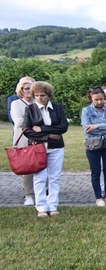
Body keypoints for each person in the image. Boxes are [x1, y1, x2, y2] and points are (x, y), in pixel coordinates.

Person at [22, 81, 68, 217]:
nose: (39, 98)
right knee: (39, 177)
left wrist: (42, 129)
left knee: (54, 177)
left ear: (48, 95)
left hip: (56, 147)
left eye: (42, 95)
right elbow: (27, 130)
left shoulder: (58, 108)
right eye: (36, 95)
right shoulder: (30, 109)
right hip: (38, 147)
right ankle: (41, 206)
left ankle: (53, 205)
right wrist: (49, 135)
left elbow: (63, 127)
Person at [82, 86, 106, 207]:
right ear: (91, 99)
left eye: (101, 99)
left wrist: (97, 126)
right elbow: (87, 129)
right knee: (96, 171)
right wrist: (105, 128)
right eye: (96, 99)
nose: (99, 102)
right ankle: (98, 197)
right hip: (93, 143)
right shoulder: (86, 111)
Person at [9, 76, 36, 206]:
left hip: (40, 139)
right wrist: (37, 124)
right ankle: (29, 195)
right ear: (21, 90)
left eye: (31, 88)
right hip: (24, 139)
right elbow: (19, 121)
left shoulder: (39, 102)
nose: (29, 91)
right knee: (28, 168)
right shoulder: (16, 104)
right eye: (26, 89)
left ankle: (43, 192)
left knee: (42, 166)